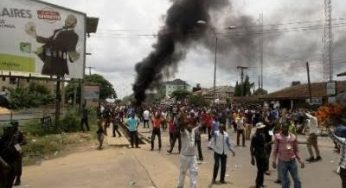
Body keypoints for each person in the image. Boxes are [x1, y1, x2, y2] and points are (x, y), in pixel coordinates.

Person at [272, 122, 304, 188]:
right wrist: (274, 161)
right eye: (283, 127)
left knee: (297, 180)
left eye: (285, 127)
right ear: (281, 128)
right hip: (282, 162)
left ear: (288, 128)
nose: (284, 128)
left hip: (292, 161)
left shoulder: (293, 136)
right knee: (285, 181)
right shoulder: (278, 136)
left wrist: (300, 160)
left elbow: (296, 150)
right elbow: (275, 150)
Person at [177, 113, 200, 188]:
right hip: (184, 156)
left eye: (190, 124)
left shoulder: (193, 130)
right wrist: (182, 118)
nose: (189, 126)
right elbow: (181, 127)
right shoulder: (183, 132)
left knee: (194, 173)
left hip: (193, 157)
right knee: (182, 173)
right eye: (187, 125)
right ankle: (180, 186)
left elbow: (200, 126)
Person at [250, 122, 268, 188]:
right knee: (260, 169)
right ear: (258, 129)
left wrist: (266, 154)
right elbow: (251, 147)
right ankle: (258, 184)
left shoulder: (263, 135)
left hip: (263, 154)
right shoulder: (254, 137)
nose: (263, 129)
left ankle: (261, 183)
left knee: (262, 169)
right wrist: (252, 158)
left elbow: (264, 145)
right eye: (261, 128)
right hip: (258, 154)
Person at [11, 121, 26, 186]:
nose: (13, 127)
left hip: (17, 150)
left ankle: (18, 179)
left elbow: (25, 141)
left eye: (14, 125)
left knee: (18, 166)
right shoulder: (9, 132)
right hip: (9, 151)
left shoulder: (19, 133)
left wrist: (19, 144)